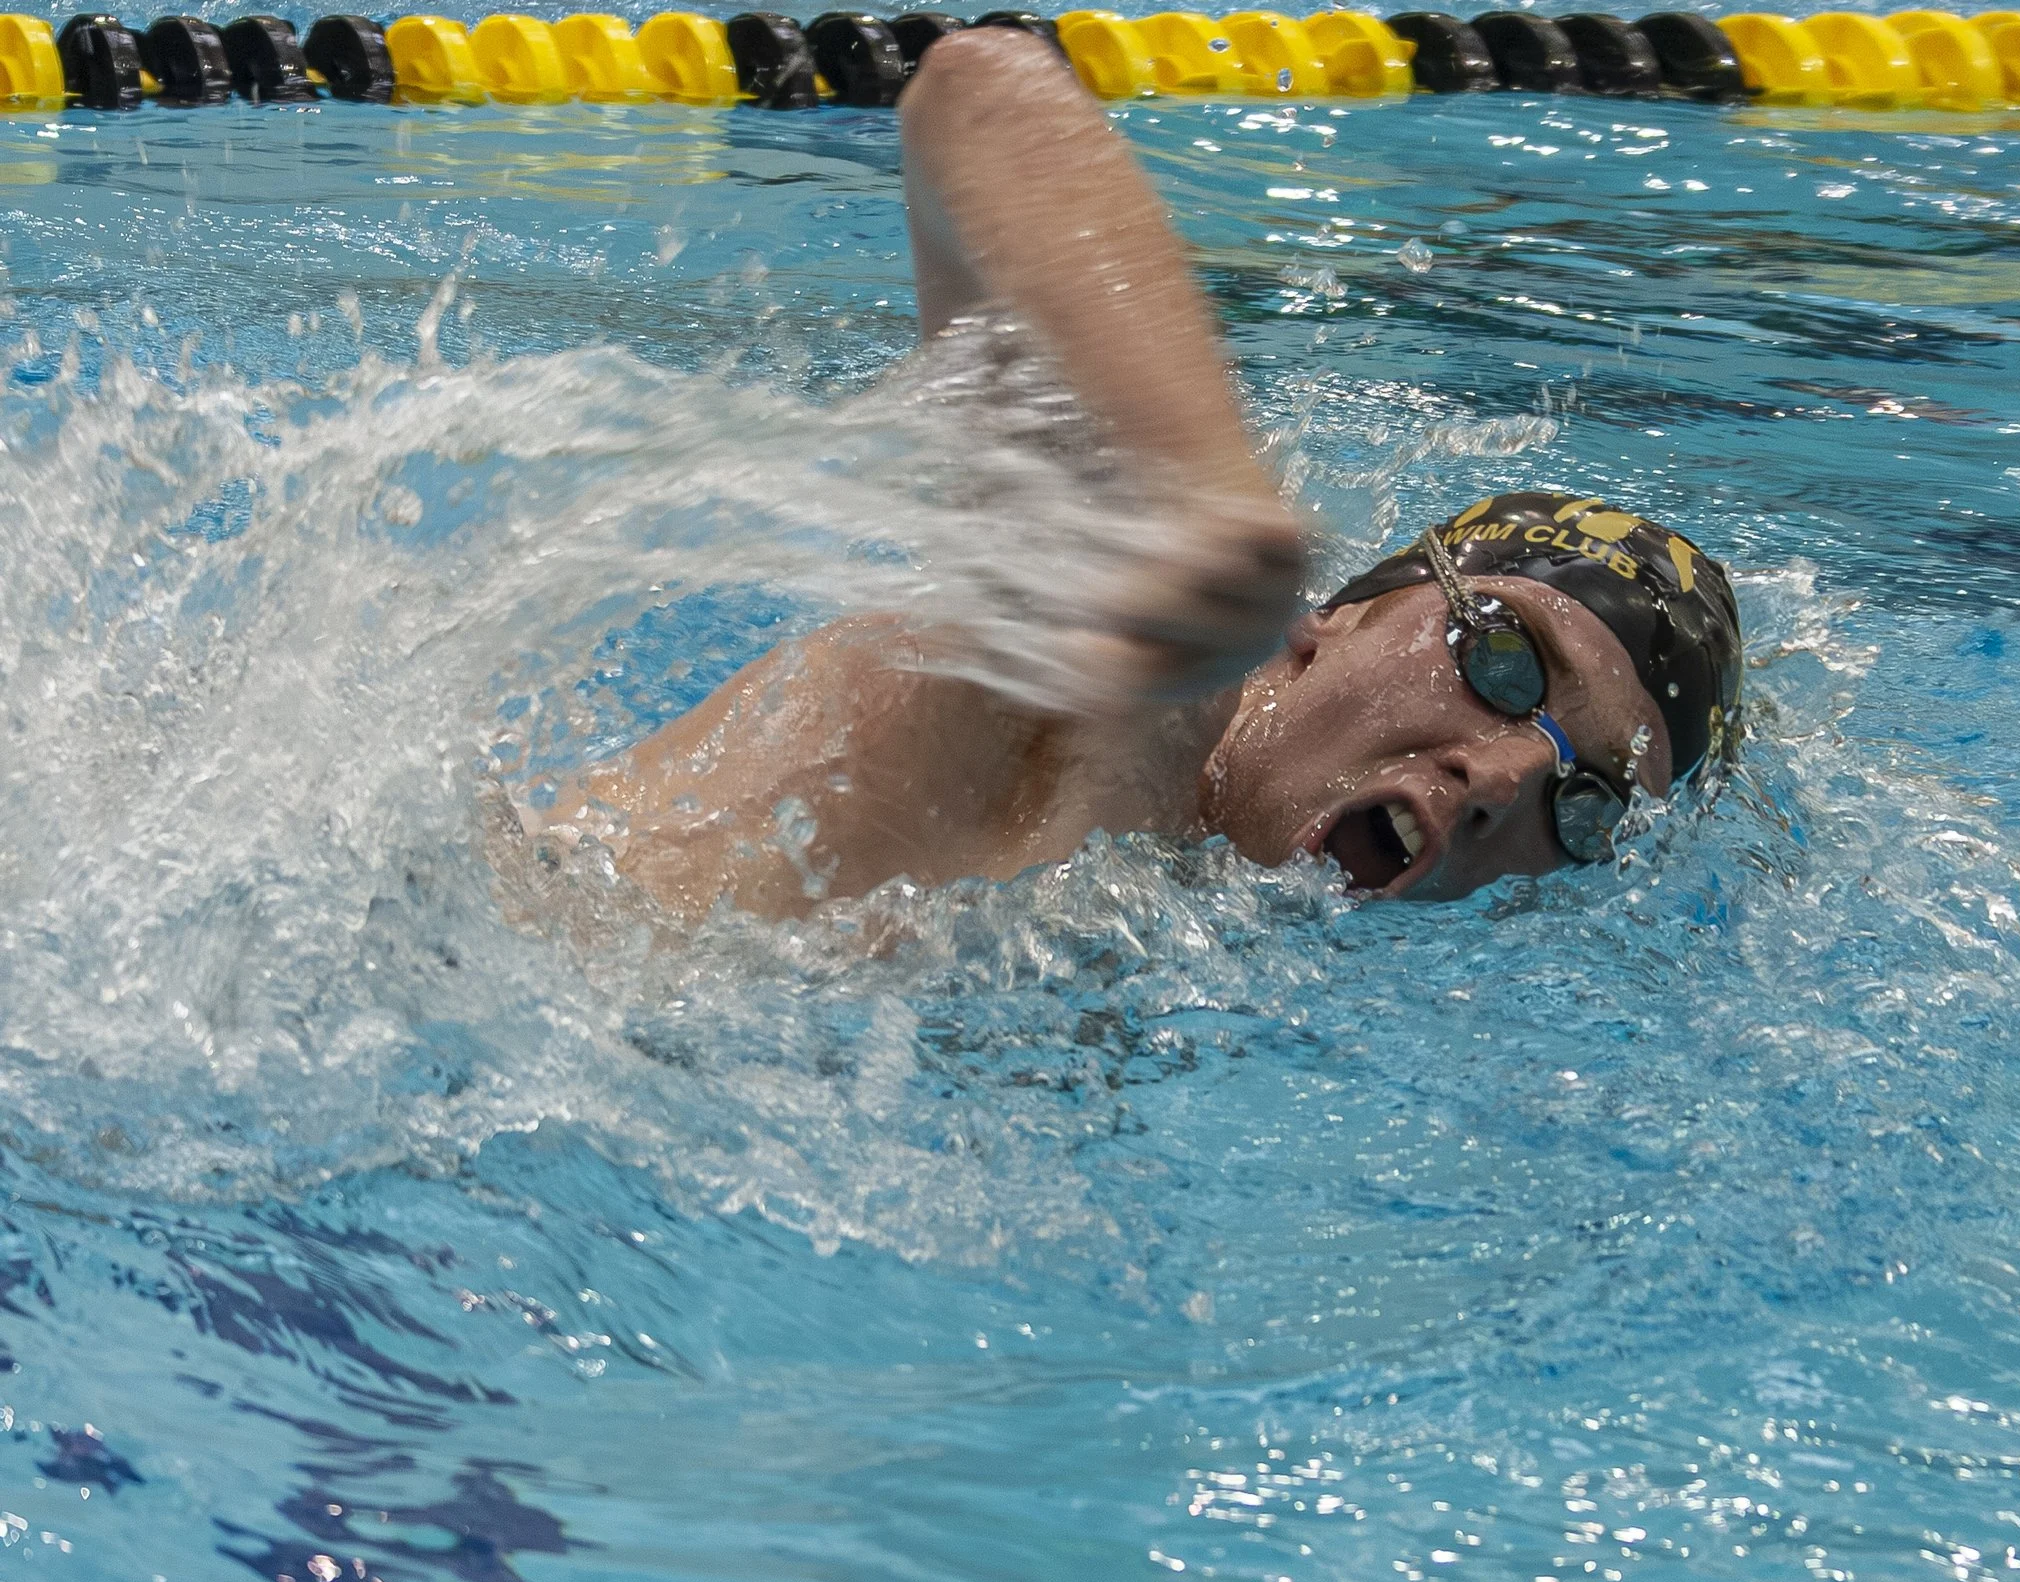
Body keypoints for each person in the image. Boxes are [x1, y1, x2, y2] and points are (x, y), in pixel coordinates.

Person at [520, 28, 1741, 916]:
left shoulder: (1185, 907)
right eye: (1504, 657)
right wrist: (1198, 493)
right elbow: (977, 92)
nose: (1506, 777)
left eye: (1586, 812)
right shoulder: (1105, 686)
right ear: (1327, 625)